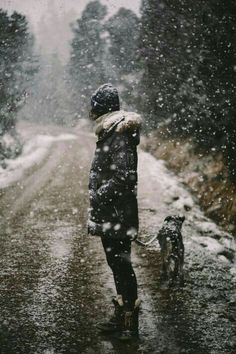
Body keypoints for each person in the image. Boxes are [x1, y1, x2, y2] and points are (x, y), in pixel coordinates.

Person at [88, 83, 142, 340]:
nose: (90, 110)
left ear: (102, 108)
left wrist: (99, 195)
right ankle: (123, 315)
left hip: (117, 213)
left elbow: (125, 176)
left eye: (94, 106)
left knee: (121, 265)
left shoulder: (118, 135)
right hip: (113, 212)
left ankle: (129, 323)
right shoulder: (110, 132)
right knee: (117, 264)